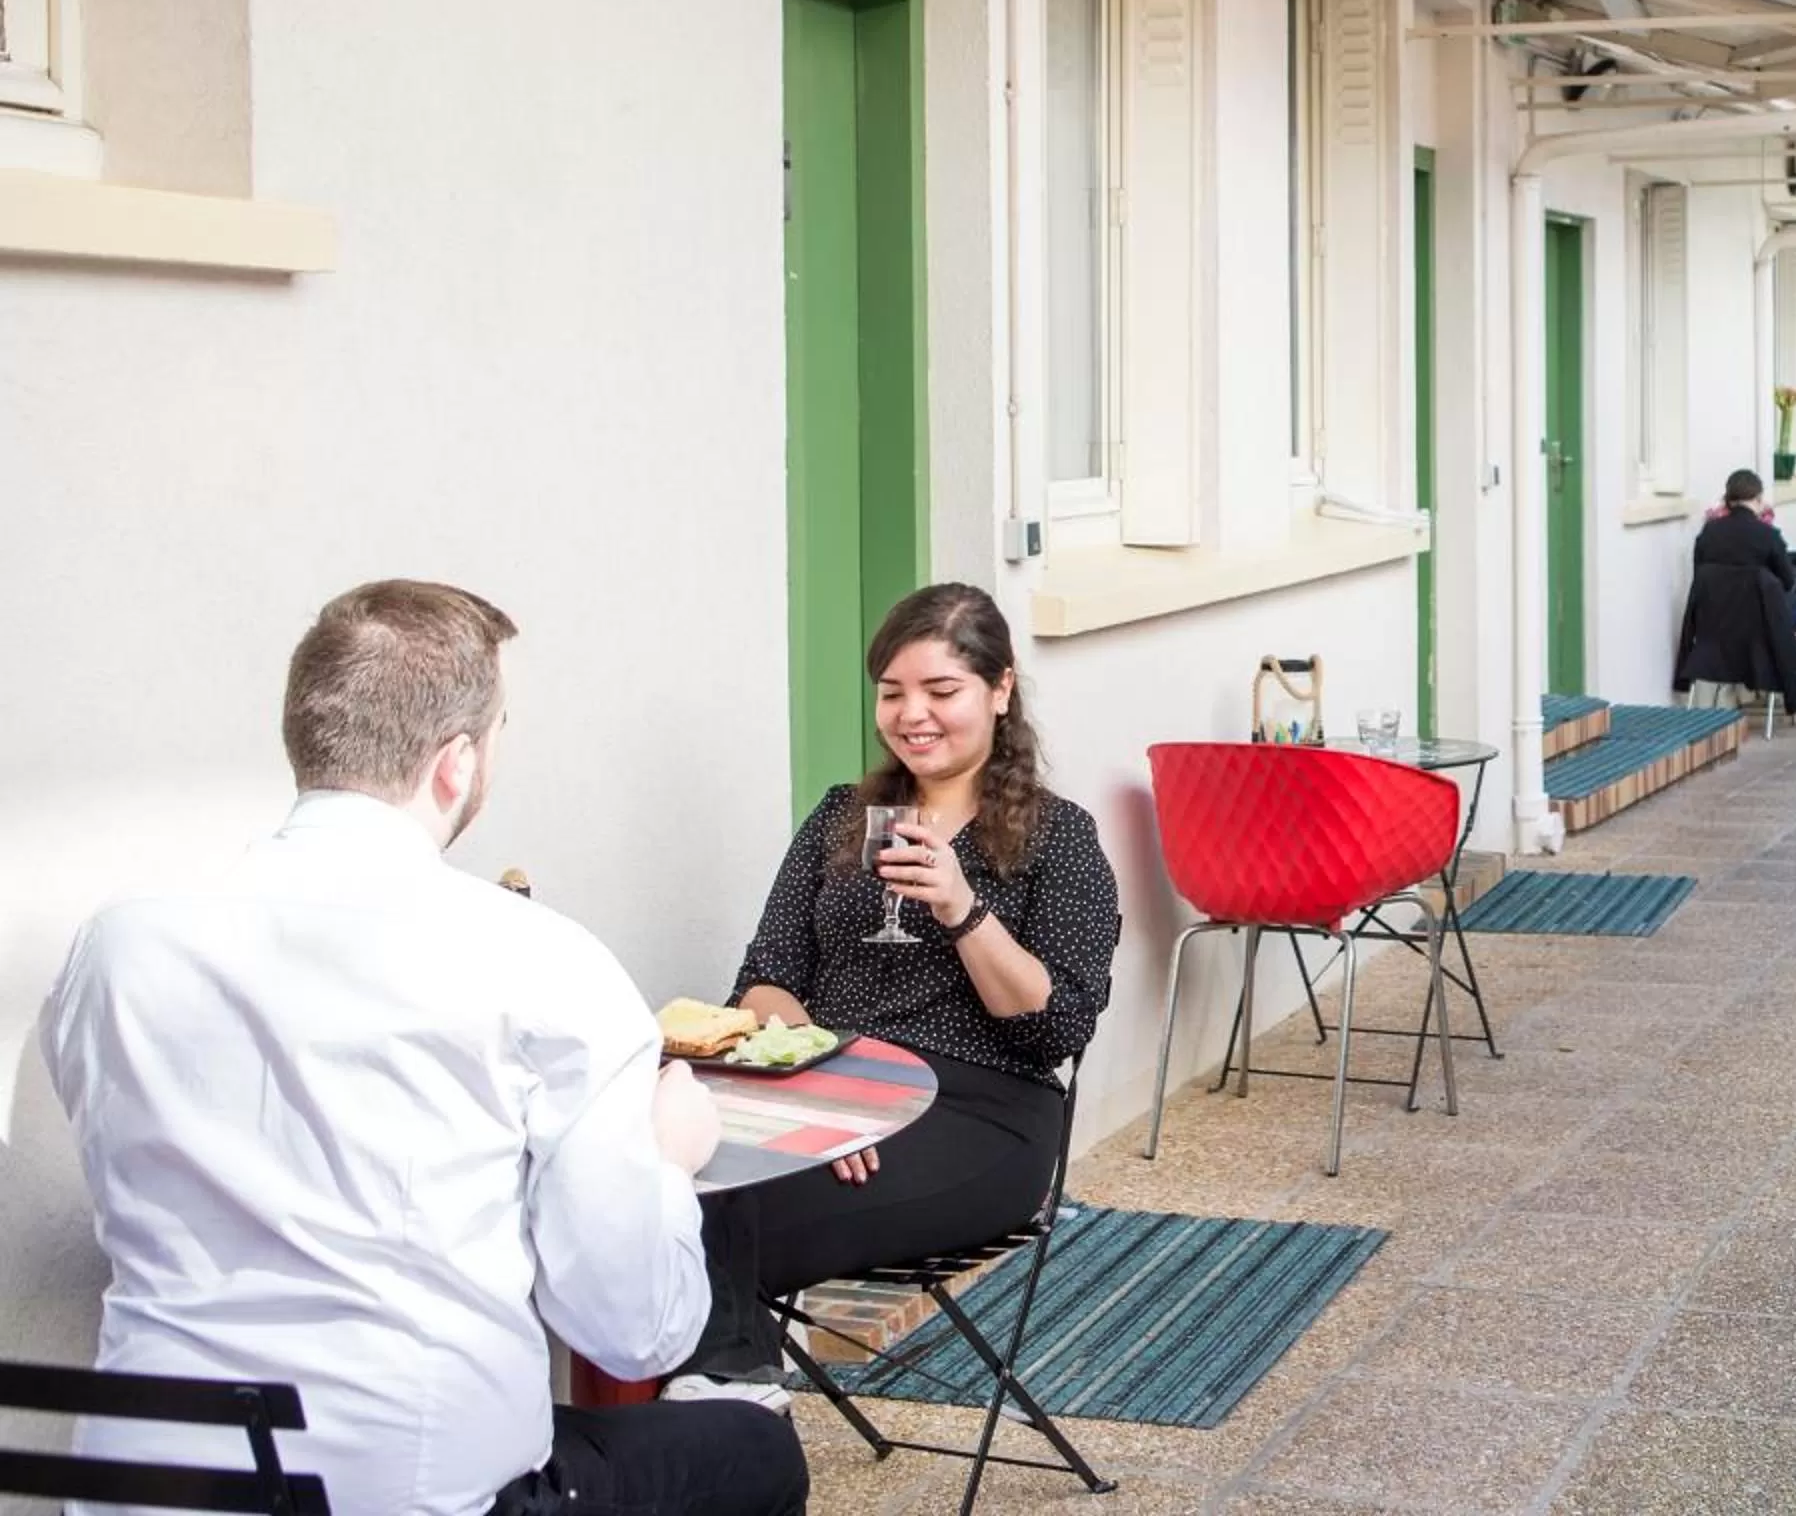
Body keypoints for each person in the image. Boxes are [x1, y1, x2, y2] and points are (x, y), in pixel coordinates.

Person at [41, 580, 805, 1516]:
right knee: (753, 1452)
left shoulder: (116, 944)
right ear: (455, 764)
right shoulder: (541, 961)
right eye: (501, 731)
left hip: (141, 1488)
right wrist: (664, 1161)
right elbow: (633, 1330)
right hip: (408, 1491)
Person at [677, 583, 1121, 1397]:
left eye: (941, 690)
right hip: (829, 1090)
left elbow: (1055, 1027)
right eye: (892, 692)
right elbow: (765, 981)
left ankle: (727, 1425)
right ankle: (723, 1416)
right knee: (661, 1191)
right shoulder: (841, 815)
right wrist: (829, 1091)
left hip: (977, 1113)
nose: (913, 713)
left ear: (1000, 689)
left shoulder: (1062, 839)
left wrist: (961, 907)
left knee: (709, 1223)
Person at [1686, 469, 1796, 722]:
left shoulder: (1707, 534)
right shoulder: (1767, 535)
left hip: (1717, 624)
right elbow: (1787, 580)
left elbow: (1700, 575)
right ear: (1758, 498)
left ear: (1727, 499)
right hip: (1764, 621)